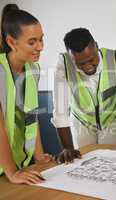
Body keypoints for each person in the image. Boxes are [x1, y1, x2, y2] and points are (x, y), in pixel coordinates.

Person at [52, 28, 116, 163]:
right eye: (80, 64)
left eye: (91, 60)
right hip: (81, 123)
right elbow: (60, 113)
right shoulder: (63, 63)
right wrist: (67, 147)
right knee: (84, 164)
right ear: (70, 57)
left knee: (115, 163)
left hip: (110, 121)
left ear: (96, 46)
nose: (87, 67)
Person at [0, 4, 51, 184]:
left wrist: (39, 156)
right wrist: (12, 172)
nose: (40, 47)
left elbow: (31, 116)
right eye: (32, 42)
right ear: (12, 42)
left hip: (20, 164)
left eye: (41, 39)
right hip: (8, 169)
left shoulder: (33, 70)